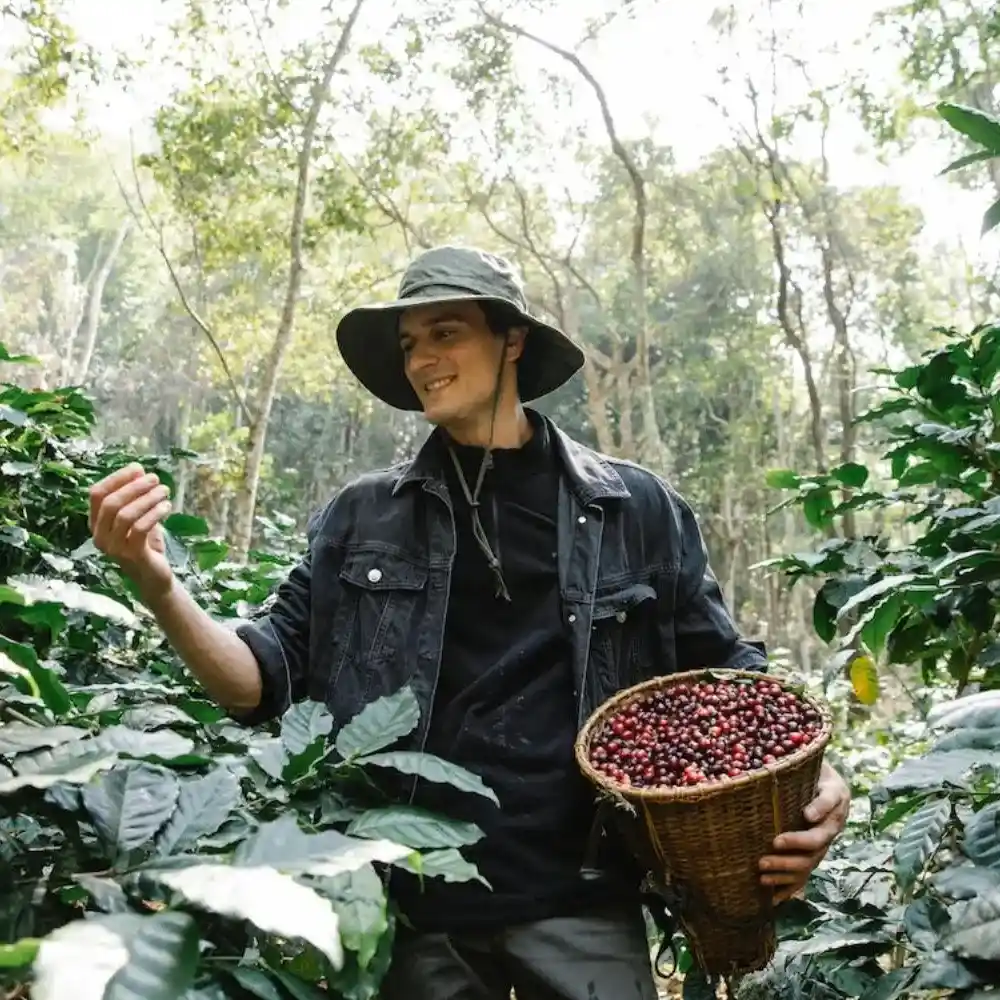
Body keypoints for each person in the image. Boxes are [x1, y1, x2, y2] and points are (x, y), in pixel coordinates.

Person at [89, 245, 851, 1000]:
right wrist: (159, 586)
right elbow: (256, 681)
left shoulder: (634, 510)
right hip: (417, 907)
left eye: (446, 332)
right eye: (410, 343)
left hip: (583, 895)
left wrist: (823, 781)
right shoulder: (363, 517)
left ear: (511, 340)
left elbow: (727, 675)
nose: (423, 360)